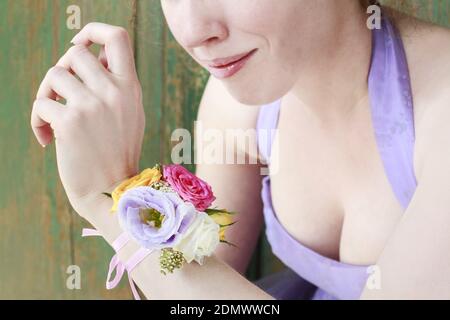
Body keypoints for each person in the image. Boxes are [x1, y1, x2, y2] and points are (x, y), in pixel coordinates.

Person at [30, 0, 450, 299]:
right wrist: (128, 200)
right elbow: (188, 283)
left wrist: (107, 198)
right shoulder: (237, 104)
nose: (194, 32)